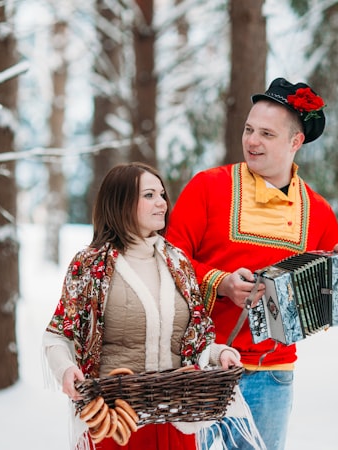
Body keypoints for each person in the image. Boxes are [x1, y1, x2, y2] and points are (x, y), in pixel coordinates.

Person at [165, 77, 338, 450]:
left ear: (295, 142)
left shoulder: (318, 212)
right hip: (200, 368)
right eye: (249, 129)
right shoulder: (207, 187)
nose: (252, 141)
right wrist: (220, 283)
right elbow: (169, 263)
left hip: (272, 376)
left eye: (267, 134)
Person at [42, 162, 243, 450]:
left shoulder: (178, 262)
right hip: (115, 423)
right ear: (121, 202)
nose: (161, 203)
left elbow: (193, 340)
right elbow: (58, 334)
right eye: (149, 195)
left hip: (176, 421)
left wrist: (219, 352)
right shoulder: (90, 265)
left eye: (162, 195)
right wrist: (65, 369)